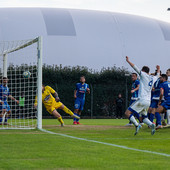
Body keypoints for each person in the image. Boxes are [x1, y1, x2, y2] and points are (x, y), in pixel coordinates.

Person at [125, 56, 160, 135]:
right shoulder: (153, 78)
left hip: (141, 99)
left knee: (127, 113)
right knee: (143, 117)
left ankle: (137, 125)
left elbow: (134, 67)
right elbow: (158, 75)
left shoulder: (143, 75)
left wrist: (128, 61)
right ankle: (151, 124)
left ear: (143, 71)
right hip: (148, 101)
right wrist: (158, 69)